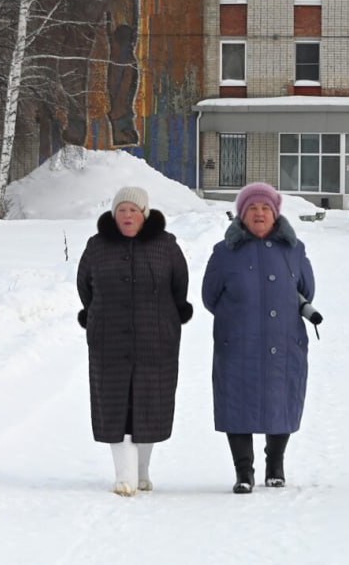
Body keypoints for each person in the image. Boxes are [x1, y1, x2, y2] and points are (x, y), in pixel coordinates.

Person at [77, 186, 192, 496]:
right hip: (108, 339)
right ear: (114, 215)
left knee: (148, 405)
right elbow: (85, 287)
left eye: (133, 210)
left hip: (156, 339)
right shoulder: (97, 247)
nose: (127, 215)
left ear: (144, 214)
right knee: (115, 406)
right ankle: (123, 476)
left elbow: (179, 285)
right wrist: (97, 315)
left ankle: (142, 472)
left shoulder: (165, 246)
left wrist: (168, 317)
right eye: (122, 210)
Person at [202, 182, 316, 493]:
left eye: (265, 208)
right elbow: (209, 297)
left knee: (281, 400)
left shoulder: (294, 250)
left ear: (275, 214)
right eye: (252, 208)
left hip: (284, 341)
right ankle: (243, 472)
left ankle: (275, 465)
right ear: (242, 215)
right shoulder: (224, 253)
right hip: (237, 343)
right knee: (236, 403)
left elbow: (306, 290)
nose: (259, 213)